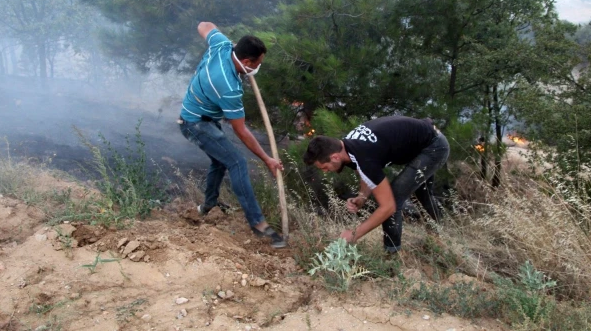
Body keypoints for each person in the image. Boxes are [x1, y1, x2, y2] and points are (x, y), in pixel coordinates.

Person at [179, 22, 286, 248]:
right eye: (257, 64)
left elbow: (204, 25)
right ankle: (258, 224)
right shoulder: (228, 86)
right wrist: (267, 159)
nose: (257, 68)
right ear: (246, 62)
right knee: (237, 162)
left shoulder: (222, 44)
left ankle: (207, 207)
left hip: (202, 114)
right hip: (195, 123)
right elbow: (241, 130)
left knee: (220, 161)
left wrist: (229, 42)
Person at [303, 116, 449, 252]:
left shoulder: (363, 156)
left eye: (324, 167)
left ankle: (392, 255)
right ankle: (436, 241)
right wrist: (362, 196)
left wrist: (354, 234)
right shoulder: (347, 146)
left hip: (433, 147)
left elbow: (388, 207)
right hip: (424, 141)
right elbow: (363, 170)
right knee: (422, 194)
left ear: (334, 157)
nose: (325, 172)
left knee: (395, 196)